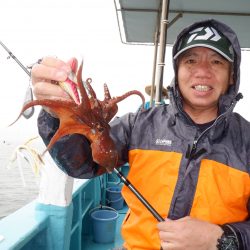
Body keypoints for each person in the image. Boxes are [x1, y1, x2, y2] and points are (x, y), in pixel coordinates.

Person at [31, 19, 250, 250]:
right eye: (191, 60)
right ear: (177, 71)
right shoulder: (139, 124)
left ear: (232, 75)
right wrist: (58, 113)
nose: (202, 72)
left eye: (216, 62)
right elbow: (81, 163)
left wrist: (223, 239)